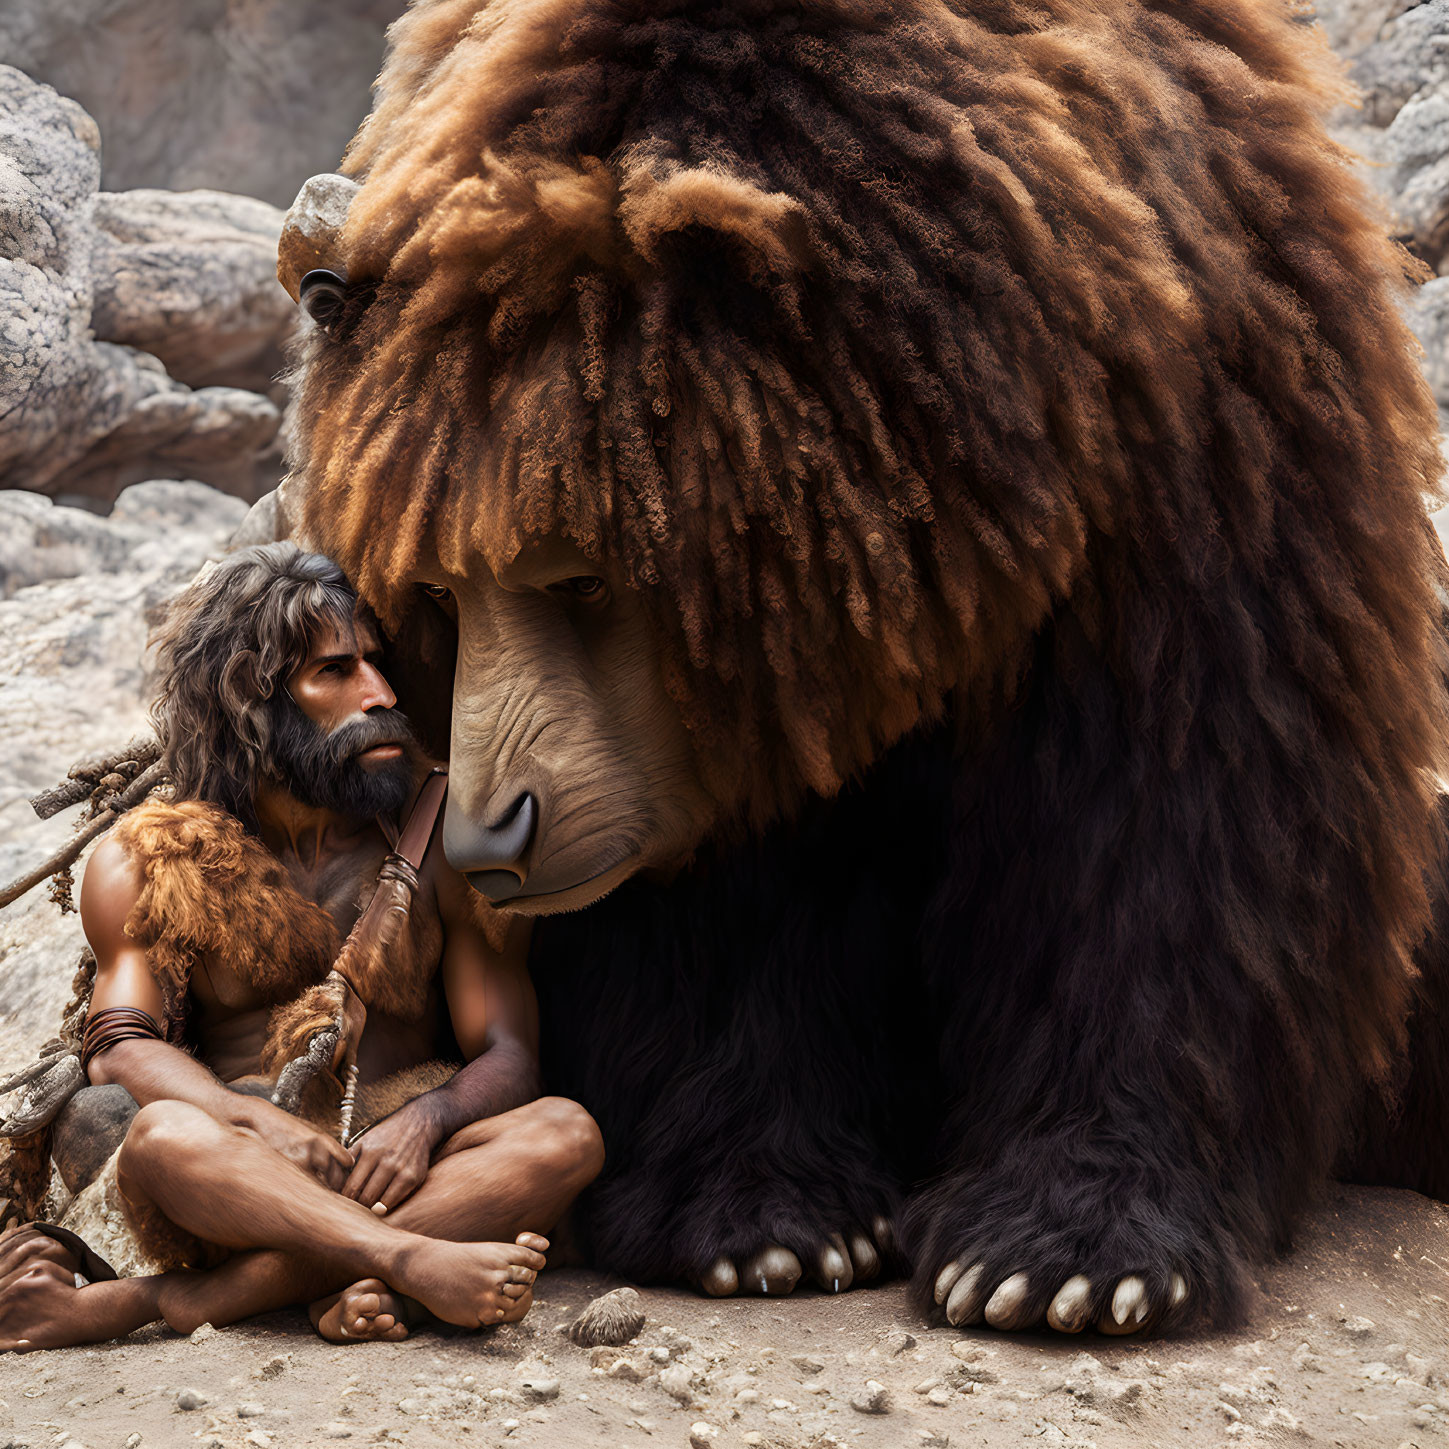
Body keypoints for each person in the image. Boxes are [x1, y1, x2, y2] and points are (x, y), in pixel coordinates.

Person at [0, 544, 603, 1351]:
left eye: (377, 666)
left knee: (565, 1132)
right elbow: (119, 1047)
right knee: (163, 1137)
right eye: (335, 672)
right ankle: (401, 1263)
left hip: (393, 1160)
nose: (380, 696)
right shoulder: (150, 855)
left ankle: (152, 1302)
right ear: (252, 700)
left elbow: (508, 1053)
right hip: (243, 1170)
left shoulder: (439, 834)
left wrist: (428, 1119)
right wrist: (259, 1127)